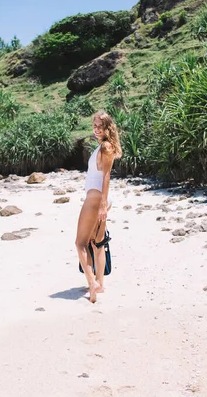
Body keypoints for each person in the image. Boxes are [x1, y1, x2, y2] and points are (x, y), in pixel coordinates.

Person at [75, 110, 122, 303]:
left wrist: (102, 205)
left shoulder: (106, 147)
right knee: (98, 243)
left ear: (107, 128)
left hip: (96, 199)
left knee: (80, 244)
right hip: (100, 199)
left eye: (99, 126)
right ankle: (100, 283)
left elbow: (106, 176)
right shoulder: (104, 146)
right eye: (94, 126)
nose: (95, 129)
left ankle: (92, 284)